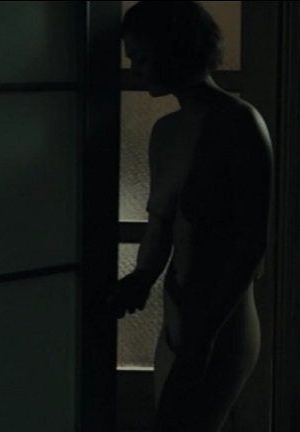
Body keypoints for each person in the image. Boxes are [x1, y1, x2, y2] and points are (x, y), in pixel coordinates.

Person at [107, 2, 273, 431]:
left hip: (224, 325)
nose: (135, 70)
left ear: (177, 50)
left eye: (142, 57)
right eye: (132, 58)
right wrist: (141, 277)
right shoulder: (165, 132)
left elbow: (252, 244)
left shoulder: (241, 124)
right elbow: (160, 224)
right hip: (175, 323)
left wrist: (205, 336)